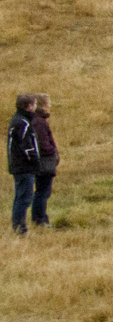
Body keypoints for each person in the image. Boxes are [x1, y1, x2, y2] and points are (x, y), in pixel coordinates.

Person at [19, 95, 57, 234]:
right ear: (42, 105)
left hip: (41, 161)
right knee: (43, 191)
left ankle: (39, 218)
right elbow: (42, 144)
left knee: (41, 191)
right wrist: (52, 152)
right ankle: (39, 219)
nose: (50, 106)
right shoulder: (40, 122)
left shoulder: (35, 120)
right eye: (48, 103)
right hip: (44, 161)